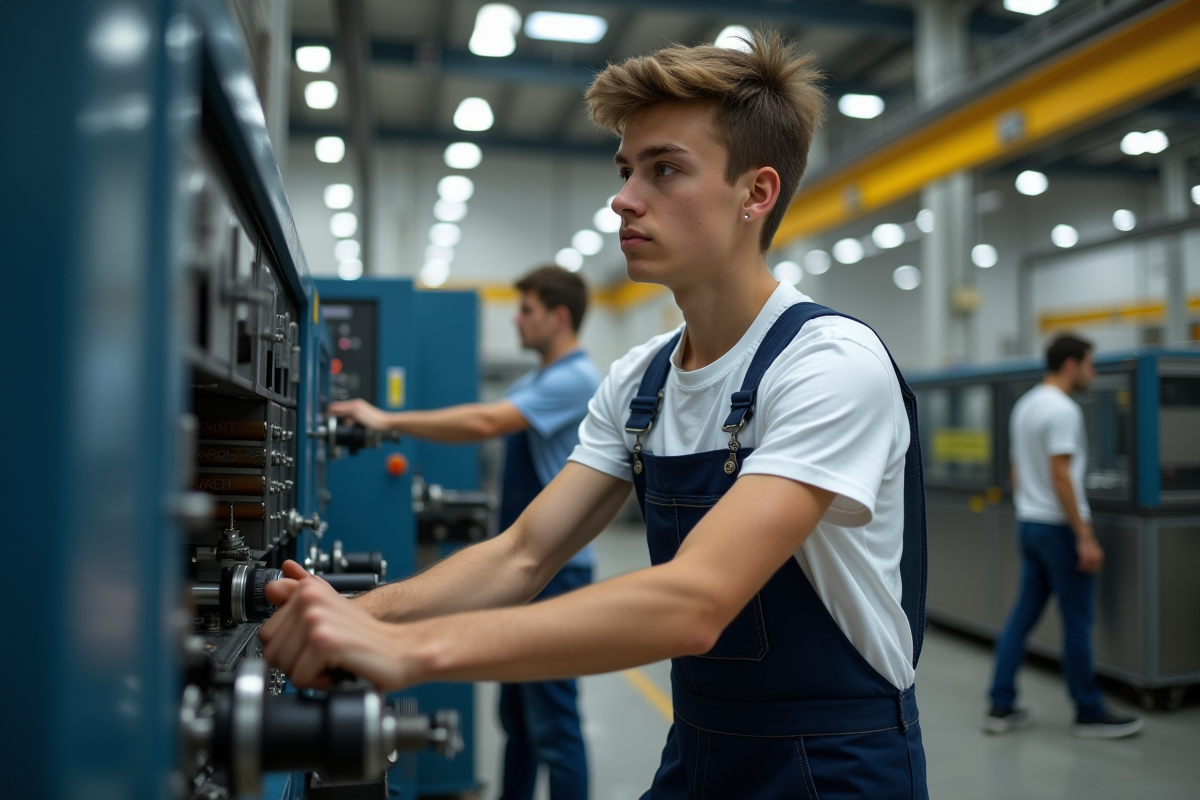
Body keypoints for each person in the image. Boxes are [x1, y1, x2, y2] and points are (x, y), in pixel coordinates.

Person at [262, 30, 930, 799]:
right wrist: (356, 614)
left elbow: (695, 602)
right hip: (701, 747)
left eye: (665, 169)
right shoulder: (639, 381)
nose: (623, 197)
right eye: (625, 170)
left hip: (834, 765)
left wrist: (412, 652)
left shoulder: (828, 364)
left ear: (756, 193)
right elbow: (521, 556)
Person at [327, 265, 602, 800]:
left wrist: (389, 420)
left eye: (527, 309)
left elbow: (483, 423)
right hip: (531, 568)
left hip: (558, 570)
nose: (517, 319)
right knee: (518, 718)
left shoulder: (577, 379)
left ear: (559, 317)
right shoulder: (536, 380)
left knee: (554, 721)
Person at [985, 334, 1144, 739]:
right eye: (1090, 365)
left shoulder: (1026, 404)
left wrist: (1028, 506)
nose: (1093, 373)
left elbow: (1017, 469)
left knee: (1022, 616)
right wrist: (1085, 536)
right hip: (1057, 528)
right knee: (1077, 620)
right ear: (1071, 364)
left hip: (1030, 523)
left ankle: (1000, 706)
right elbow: (1061, 475)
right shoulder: (1063, 410)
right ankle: (1088, 711)